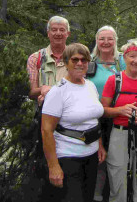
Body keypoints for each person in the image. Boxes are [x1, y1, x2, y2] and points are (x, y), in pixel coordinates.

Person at [41, 43, 106, 201]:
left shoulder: (90, 86)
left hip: (91, 156)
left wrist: (100, 145)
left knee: (88, 197)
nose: (79, 64)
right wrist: (53, 166)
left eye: (84, 60)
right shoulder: (58, 92)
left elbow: (93, 118)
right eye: (75, 60)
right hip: (68, 157)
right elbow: (47, 130)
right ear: (66, 62)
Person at [101, 39, 137, 202]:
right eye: (132, 56)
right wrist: (120, 110)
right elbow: (103, 110)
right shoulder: (114, 80)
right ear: (125, 57)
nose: (136, 61)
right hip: (119, 132)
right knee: (118, 175)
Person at [88, 26, 126, 202]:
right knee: (96, 159)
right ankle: (95, 195)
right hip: (93, 118)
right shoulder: (89, 61)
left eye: (109, 39)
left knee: (116, 160)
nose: (105, 42)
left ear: (115, 40)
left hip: (118, 116)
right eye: (102, 38)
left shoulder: (122, 61)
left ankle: (113, 195)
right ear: (96, 40)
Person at [27, 15, 70, 103]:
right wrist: (42, 89)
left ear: (67, 34)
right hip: (44, 112)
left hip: (70, 111)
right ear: (48, 33)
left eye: (62, 30)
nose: (58, 33)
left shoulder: (76, 57)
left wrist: (51, 89)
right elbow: (31, 92)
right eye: (54, 30)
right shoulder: (35, 58)